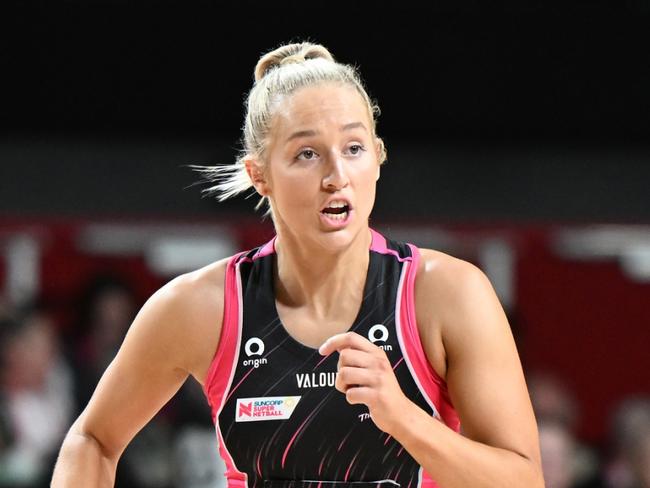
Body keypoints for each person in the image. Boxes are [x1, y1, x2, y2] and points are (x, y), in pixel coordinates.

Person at [51, 42, 543, 488]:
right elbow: (92, 440)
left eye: (353, 148)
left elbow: (522, 481)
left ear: (377, 157)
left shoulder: (447, 293)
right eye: (307, 154)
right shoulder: (201, 307)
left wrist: (404, 418)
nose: (336, 176)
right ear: (259, 174)